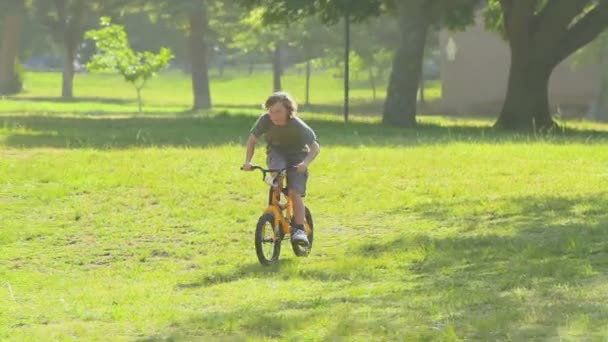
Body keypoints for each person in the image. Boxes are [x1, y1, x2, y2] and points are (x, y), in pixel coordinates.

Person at [242, 91, 320, 248]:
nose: (273, 115)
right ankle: (275, 206)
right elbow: (252, 141)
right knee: (276, 174)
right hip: (276, 152)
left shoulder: (297, 125)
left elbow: (315, 147)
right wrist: (248, 161)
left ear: (288, 111)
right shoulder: (265, 121)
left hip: (298, 156)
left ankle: (298, 229)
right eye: (270, 111)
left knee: (294, 192)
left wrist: (305, 163)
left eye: (278, 111)